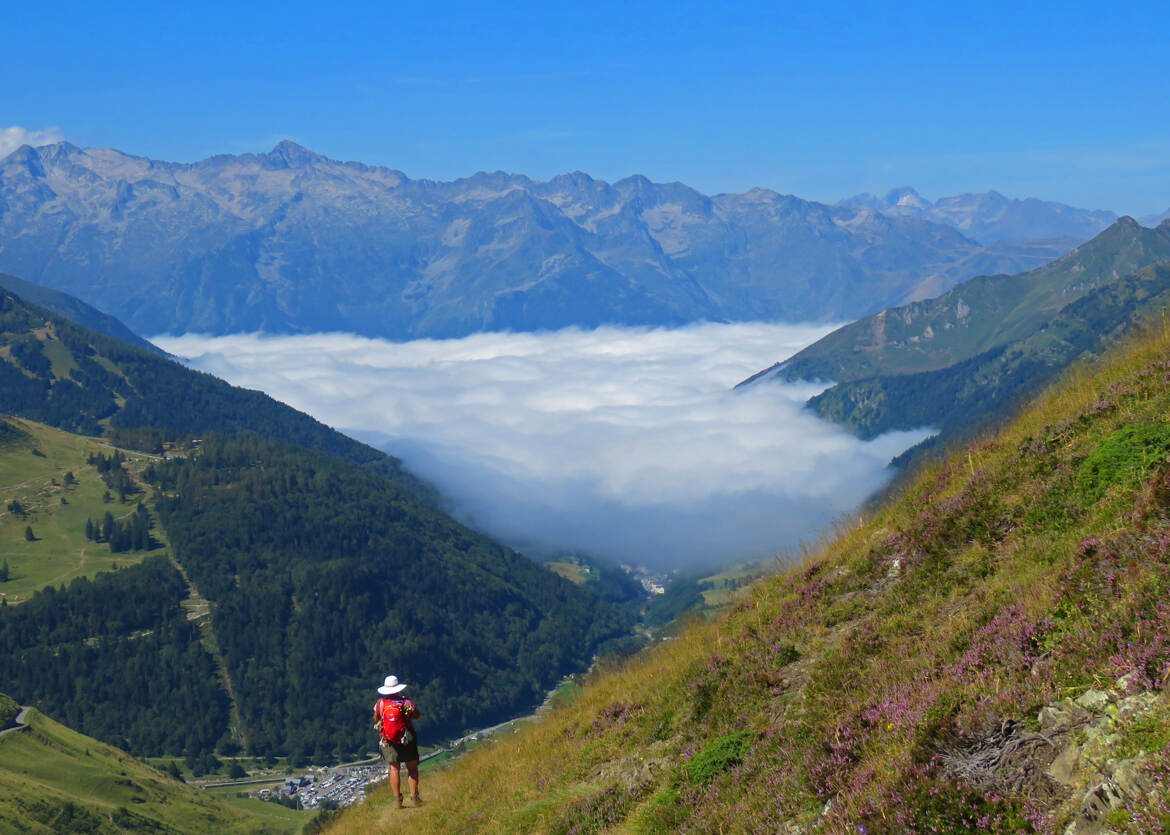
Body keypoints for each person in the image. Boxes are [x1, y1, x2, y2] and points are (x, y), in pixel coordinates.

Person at [373, 675, 422, 808]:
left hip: (388, 739)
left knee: (394, 769)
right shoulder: (404, 703)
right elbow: (415, 715)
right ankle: (414, 797)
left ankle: (397, 800)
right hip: (406, 737)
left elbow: (376, 717)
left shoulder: (381, 703)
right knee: (411, 768)